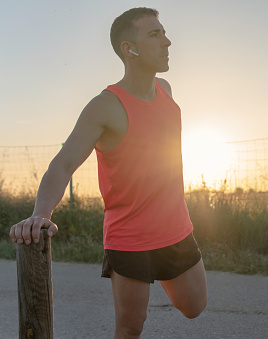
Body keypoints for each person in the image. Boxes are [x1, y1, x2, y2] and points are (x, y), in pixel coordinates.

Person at [9, 7, 207, 338]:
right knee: (131, 327)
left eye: (164, 32)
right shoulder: (105, 106)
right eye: (155, 35)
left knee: (194, 307)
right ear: (129, 48)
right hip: (130, 239)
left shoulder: (167, 91)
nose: (167, 41)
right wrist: (40, 214)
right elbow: (63, 163)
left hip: (177, 231)